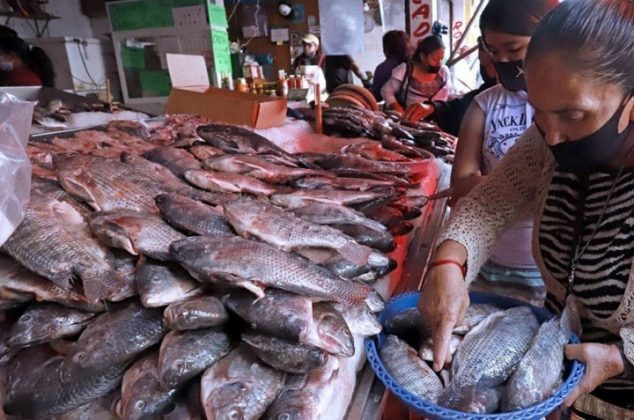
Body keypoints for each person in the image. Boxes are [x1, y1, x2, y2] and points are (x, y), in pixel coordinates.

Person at [418, 0, 634, 417]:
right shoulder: (548, 139)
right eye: (539, 112)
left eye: (573, 114)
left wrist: (620, 357)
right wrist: (449, 262)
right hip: (554, 380)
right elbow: (489, 204)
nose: (551, 135)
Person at [440, 0, 558, 306]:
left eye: (513, 49)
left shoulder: (561, 108)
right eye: (493, 51)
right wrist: (523, 190)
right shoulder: (484, 106)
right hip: (491, 259)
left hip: (550, 270)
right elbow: (460, 188)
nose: (501, 60)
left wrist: (492, 185)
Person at [413, 37, 497, 136]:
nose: (489, 69)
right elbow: (458, 108)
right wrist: (433, 108)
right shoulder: (485, 93)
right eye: (483, 63)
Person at [381, 35, 453, 119]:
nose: (439, 63)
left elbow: (449, 95)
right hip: (411, 121)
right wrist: (398, 108)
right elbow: (386, 91)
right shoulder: (405, 70)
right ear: (422, 57)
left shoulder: (443, 72)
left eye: (441, 59)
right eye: (434, 59)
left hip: (439, 121)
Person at [370, 30, 411, 101]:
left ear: (385, 49)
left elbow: (377, 96)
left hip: (393, 109)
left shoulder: (382, 69)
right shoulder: (415, 65)